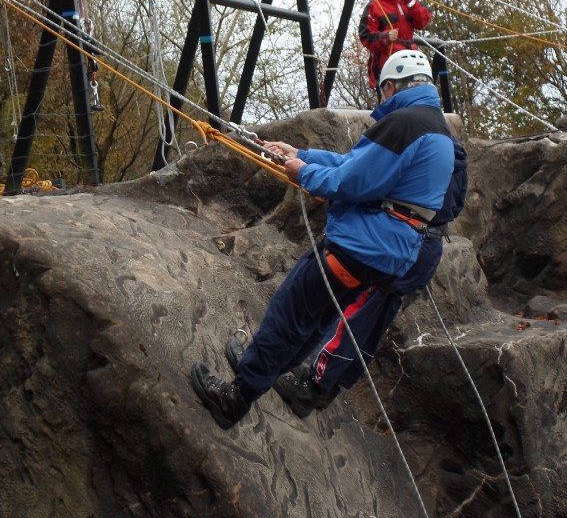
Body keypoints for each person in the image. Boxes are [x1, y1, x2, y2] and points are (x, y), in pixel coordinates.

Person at [190, 50, 455, 429]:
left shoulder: (404, 124)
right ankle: (261, 372)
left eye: (383, 92)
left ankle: (237, 396)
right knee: (313, 321)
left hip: (359, 246)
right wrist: (302, 155)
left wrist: (304, 174)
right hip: (384, 254)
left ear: (392, 87)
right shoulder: (435, 128)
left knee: (289, 314)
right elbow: (359, 166)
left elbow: (351, 181)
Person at [359, 0, 432, 98]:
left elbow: (423, 21)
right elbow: (365, 37)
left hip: (411, 62)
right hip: (388, 66)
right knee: (393, 104)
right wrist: (385, 37)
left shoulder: (407, 0)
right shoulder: (374, 6)